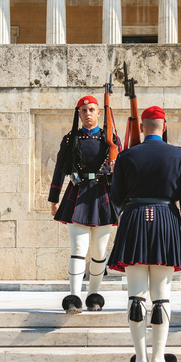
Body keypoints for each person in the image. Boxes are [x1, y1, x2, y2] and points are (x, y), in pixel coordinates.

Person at [108, 106, 181, 362]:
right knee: (162, 297)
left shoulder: (127, 156)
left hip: (134, 219)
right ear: (164, 126)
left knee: (136, 296)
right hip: (167, 219)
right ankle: (159, 361)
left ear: (143, 127)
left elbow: (115, 196)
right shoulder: (180, 155)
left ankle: (140, 361)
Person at [49, 96, 122, 314]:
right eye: (83, 110)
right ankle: (74, 296)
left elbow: (122, 174)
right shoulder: (71, 138)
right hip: (77, 195)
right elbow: (60, 169)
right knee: (78, 249)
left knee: (99, 253)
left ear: (99, 113)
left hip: (102, 197)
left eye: (91, 109)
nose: (88, 113)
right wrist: (54, 198)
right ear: (78, 114)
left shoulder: (111, 139)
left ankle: (93, 295)